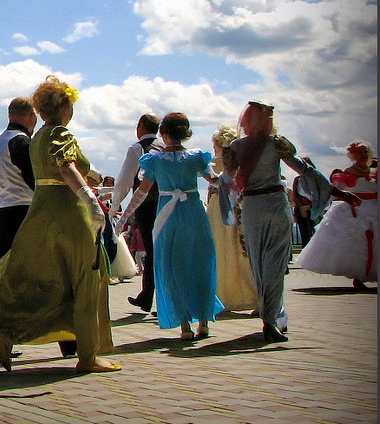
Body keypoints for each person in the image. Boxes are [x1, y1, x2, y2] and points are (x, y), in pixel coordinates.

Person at [0, 76, 119, 373]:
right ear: (65, 108)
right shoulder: (60, 133)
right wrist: (90, 199)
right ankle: (88, 356)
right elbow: (65, 167)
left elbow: (57, 167)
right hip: (68, 211)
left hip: (39, 213)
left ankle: (5, 329)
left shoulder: (35, 138)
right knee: (86, 278)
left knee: (35, 278)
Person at [222, 100, 359, 342]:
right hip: (275, 205)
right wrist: (335, 192)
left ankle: (269, 314)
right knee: (274, 263)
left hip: (252, 207)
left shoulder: (235, 147)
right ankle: (270, 319)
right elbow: (305, 170)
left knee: (258, 263)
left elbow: (226, 181)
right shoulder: (276, 144)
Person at [118, 113, 223, 340]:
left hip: (168, 218)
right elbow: (215, 180)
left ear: (163, 134)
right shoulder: (196, 158)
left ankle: (184, 324)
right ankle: (203, 321)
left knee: (173, 268)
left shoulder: (154, 161)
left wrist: (124, 216)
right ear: (185, 133)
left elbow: (141, 192)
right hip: (194, 215)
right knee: (199, 263)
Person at [296, 140, 377, 289]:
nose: (364, 155)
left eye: (366, 152)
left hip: (374, 209)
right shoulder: (347, 173)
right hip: (354, 211)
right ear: (353, 155)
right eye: (360, 152)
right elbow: (334, 193)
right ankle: (359, 276)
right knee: (358, 243)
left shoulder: (374, 173)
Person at [110, 114, 161, 313]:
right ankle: (148, 296)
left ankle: (151, 296)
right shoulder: (163, 147)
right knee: (159, 251)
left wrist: (116, 206)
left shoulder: (137, 149)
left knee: (151, 250)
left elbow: (125, 182)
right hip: (166, 204)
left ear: (140, 126)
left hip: (147, 205)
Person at [205, 124, 257, 312]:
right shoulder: (242, 161)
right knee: (235, 251)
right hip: (226, 206)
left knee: (226, 249)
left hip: (222, 207)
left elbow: (220, 183)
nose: (214, 149)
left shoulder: (216, 162)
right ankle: (247, 295)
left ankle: (226, 295)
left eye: (215, 145)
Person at [0, 97, 38, 266]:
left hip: (2, 212)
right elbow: (34, 180)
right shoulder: (21, 141)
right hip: (24, 213)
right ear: (32, 116)